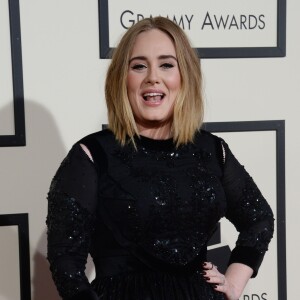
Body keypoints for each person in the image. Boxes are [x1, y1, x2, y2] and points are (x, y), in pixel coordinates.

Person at [46, 16, 274, 300]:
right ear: (122, 79)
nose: (153, 76)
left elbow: (259, 219)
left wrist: (234, 282)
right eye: (139, 66)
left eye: (166, 64)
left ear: (185, 76)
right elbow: (66, 260)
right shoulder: (91, 155)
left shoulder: (212, 150)